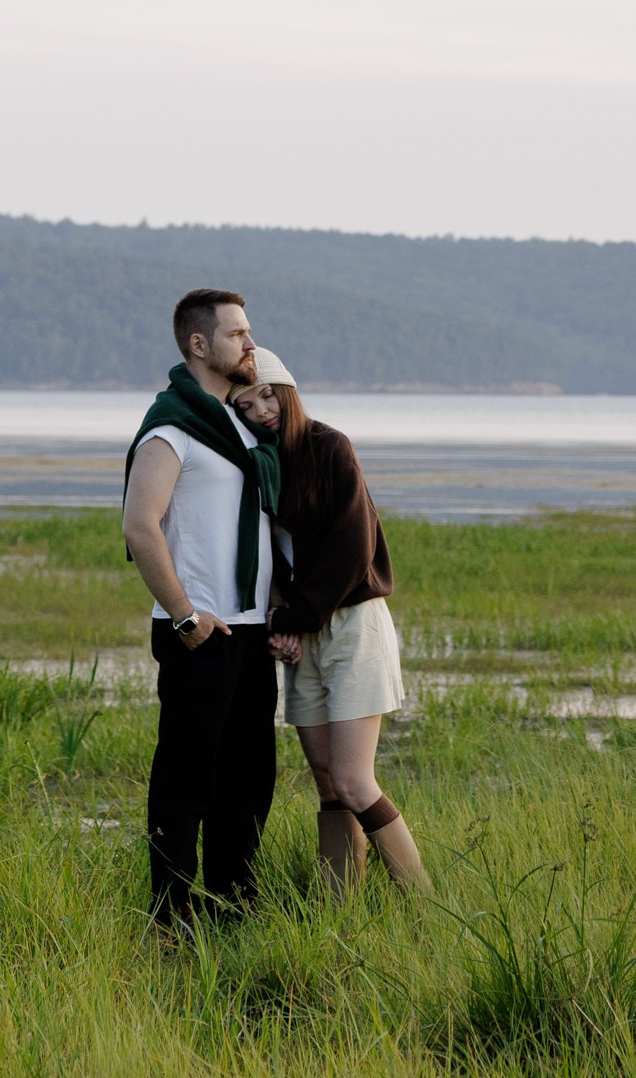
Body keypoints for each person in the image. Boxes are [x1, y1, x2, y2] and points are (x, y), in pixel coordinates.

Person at [121, 291, 301, 930]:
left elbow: (252, 526)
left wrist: (279, 605)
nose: (251, 344)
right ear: (200, 345)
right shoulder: (171, 427)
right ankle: (169, 918)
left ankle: (233, 908)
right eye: (238, 335)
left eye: (250, 333)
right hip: (202, 631)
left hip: (250, 630)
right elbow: (141, 526)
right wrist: (184, 616)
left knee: (250, 779)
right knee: (185, 779)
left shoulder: (236, 424)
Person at [231, 367, 430, 896]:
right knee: (325, 778)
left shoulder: (330, 446)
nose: (260, 412)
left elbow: (352, 550)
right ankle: (338, 908)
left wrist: (293, 619)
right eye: (245, 407)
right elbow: (273, 555)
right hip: (305, 631)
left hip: (351, 625)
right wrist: (282, 615)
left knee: (352, 778)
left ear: (286, 390)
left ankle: (426, 905)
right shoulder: (262, 464)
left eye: (266, 396)